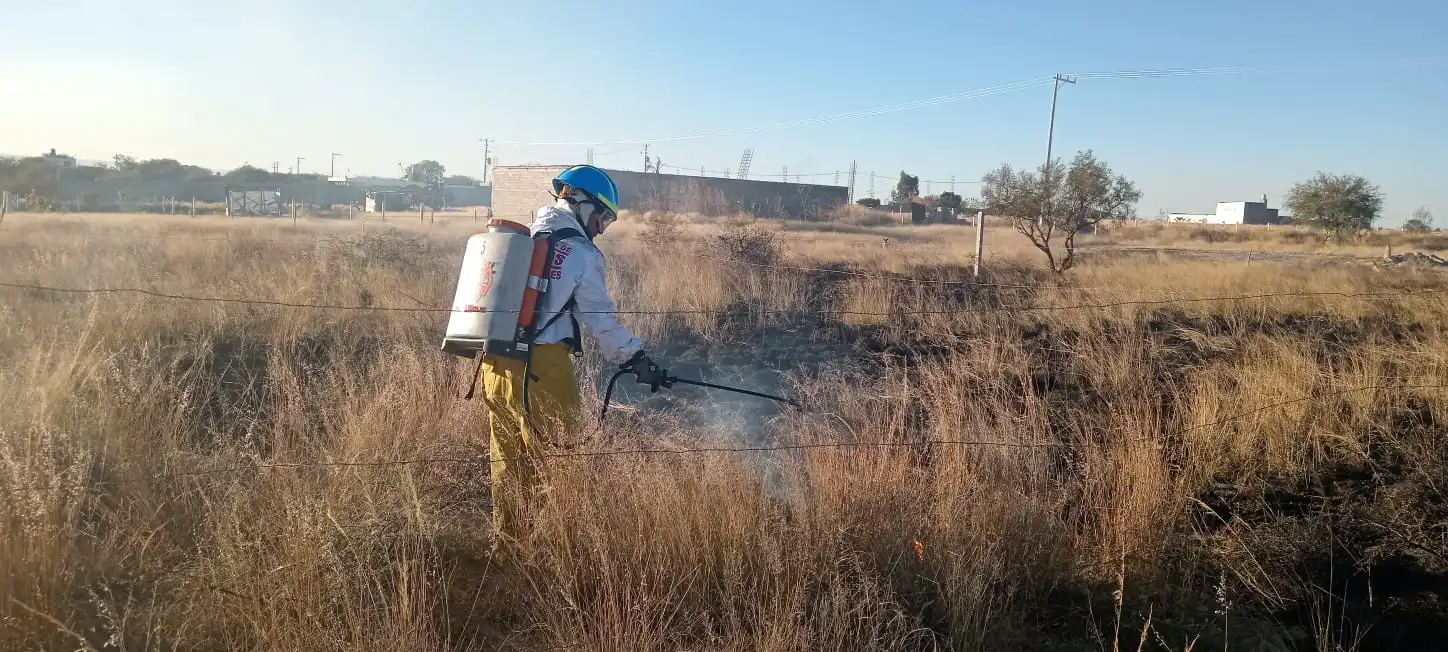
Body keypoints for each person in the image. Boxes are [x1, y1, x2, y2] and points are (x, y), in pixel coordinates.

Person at [479, 164, 662, 539]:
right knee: (559, 465)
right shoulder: (579, 252)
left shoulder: (527, 236)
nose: (602, 228)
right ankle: (558, 552)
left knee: (507, 463)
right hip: (541, 369)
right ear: (581, 202)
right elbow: (601, 322)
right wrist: (636, 359)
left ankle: (510, 548)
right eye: (603, 217)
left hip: (494, 365)